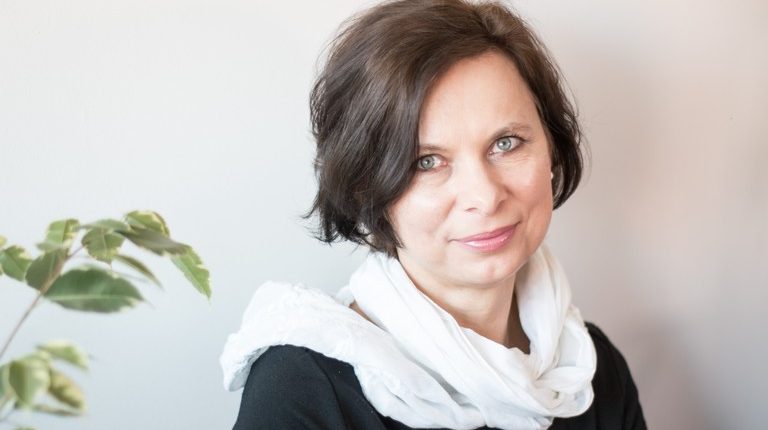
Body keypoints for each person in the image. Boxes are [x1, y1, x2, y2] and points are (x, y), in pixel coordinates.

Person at [220, 0, 647, 428]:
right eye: (427, 162)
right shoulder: (302, 389)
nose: (484, 197)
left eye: (506, 143)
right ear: (367, 188)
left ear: (551, 148)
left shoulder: (589, 370)